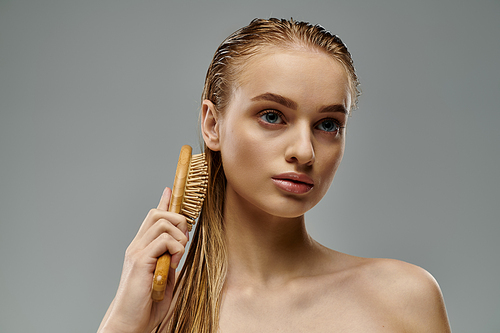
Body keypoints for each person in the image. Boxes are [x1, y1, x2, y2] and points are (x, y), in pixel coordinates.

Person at [98, 18, 451, 333]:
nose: (305, 150)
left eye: (328, 125)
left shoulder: (403, 298)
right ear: (212, 124)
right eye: (272, 116)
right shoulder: (160, 315)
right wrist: (123, 325)